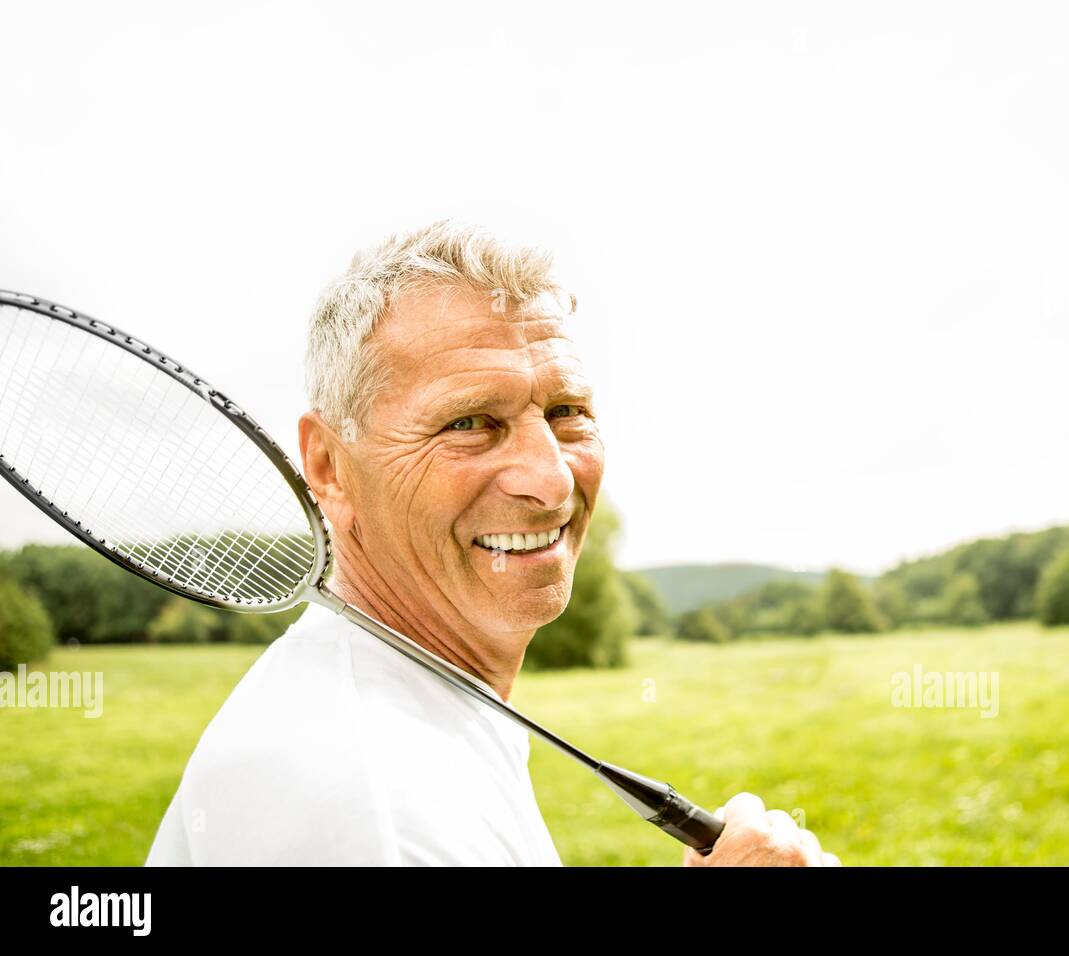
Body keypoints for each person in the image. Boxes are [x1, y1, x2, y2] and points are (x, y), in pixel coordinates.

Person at [146, 220, 840, 866]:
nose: (552, 479)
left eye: (567, 413)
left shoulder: (415, 709)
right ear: (329, 466)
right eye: (470, 422)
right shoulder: (378, 808)